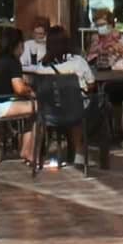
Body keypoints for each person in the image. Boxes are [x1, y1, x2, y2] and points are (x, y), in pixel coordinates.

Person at [41, 26, 98, 170]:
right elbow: (91, 84)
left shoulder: (42, 65)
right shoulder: (78, 61)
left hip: (51, 112)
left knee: (71, 106)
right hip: (75, 111)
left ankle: (47, 151)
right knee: (89, 106)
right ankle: (80, 152)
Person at [0, 26, 35, 163]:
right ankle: (28, 151)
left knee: (30, 106)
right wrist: (30, 90)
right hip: (0, 106)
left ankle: (18, 143)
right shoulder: (12, 61)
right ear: (18, 44)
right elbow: (19, 89)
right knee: (39, 107)